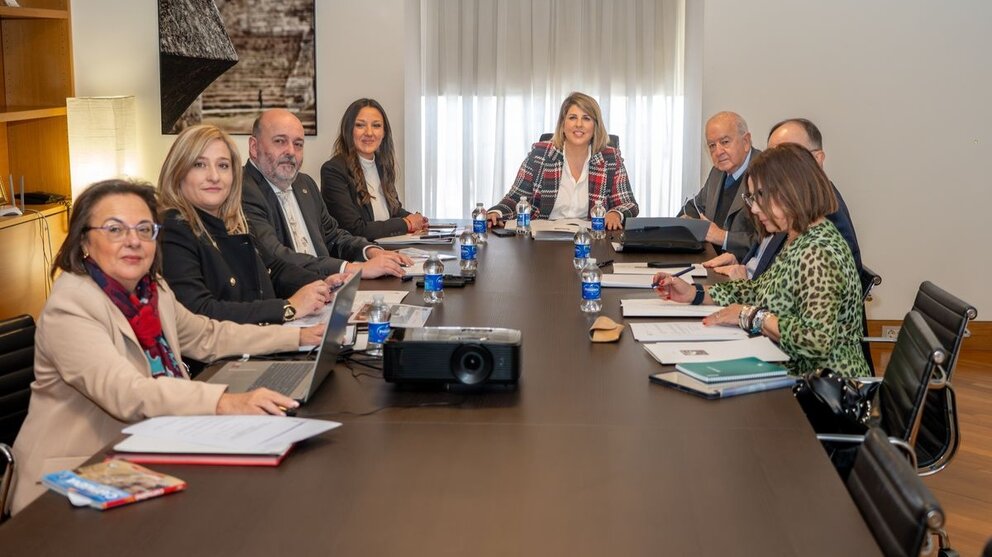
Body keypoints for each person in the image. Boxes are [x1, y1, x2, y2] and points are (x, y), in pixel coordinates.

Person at [10, 179, 315, 514]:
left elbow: (207, 336)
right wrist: (224, 402)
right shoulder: (71, 306)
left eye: (144, 229)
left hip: (143, 450)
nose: (133, 241)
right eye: (115, 229)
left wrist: (297, 337)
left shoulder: (151, 291)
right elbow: (126, 393)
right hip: (71, 484)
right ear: (84, 240)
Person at [654, 144, 868, 377]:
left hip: (820, 390)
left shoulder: (817, 252)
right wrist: (695, 293)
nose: (754, 208)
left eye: (761, 196)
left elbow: (815, 340)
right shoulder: (797, 237)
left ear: (792, 191)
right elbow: (761, 290)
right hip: (791, 372)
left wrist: (750, 315)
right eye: (752, 197)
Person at [158, 124, 345, 325]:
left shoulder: (235, 222)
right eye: (199, 164)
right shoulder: (172, 229)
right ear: (178, 172)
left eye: (223, 166)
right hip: (228, 353)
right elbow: (200, 312)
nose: (214, 176)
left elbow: (273, 268)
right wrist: (289, 307)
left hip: (266, 338)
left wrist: (318, 284)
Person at [241, 109, 411, 278]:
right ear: (254, 148)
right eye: (280, 141)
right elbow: (276, 256)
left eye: (298, 144)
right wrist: (352, 269)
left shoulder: (304, 183)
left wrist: (370, 251)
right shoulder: (242, 189)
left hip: (330, 286)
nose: (291, 152)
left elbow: (333, 236)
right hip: (290, 298)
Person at [703, 118, 862, 280]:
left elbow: (823, 283)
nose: (775, 164)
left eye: (788, 156)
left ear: (817, 159)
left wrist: (746, 286)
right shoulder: (785, 202)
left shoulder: (825, 210)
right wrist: (743, 264)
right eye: (772, 154)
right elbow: (769, 261)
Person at [487, 92, 639, 229]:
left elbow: (628, 203)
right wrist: (496, 212)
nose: (579, 124)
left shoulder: (610, 159)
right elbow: (515, 198)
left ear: (595, 126)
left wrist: (616, 213)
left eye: (586, 118)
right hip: (541, 240)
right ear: (563, 124)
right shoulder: (540, 155)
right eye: (572, 117)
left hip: (590, 239)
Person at [320, 99, 428, 240]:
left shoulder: (382, 166)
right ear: (348, 130)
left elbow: (393, 211)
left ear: (384, 133)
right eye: (360, 125)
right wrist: (407, 224)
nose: (369, 133)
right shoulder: (333, 170)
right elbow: (354, 229)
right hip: (359, 257)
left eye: (376, 126)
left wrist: (415, 219)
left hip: (389, 249)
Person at [679, 111, 761, 260]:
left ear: (746, 141)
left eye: (725, 142)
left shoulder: (766, 172)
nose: (718, 152)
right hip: (710, 259)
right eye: (712, 145)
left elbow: (767, 242)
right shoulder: (718, 171)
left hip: (744, 272)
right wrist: (684, 221)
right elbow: (696, 206)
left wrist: (723, 237)